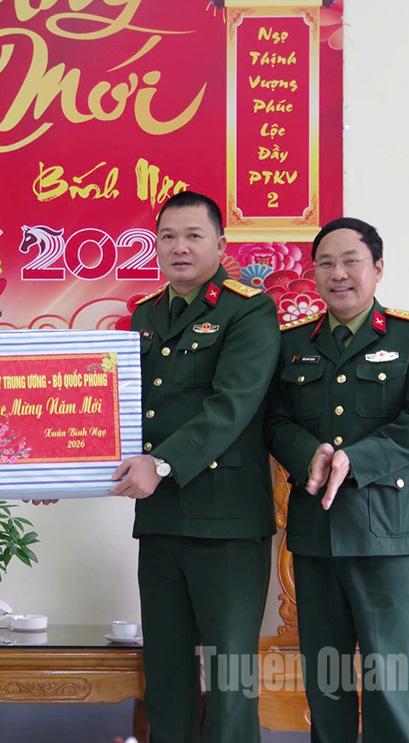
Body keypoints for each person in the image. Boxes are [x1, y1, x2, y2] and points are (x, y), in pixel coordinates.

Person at [265, 217, 409, 742]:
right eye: (325, 263)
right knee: (327, 678)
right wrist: (311, 454)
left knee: (387, 675)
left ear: (378, 269)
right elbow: (275, 420)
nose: (338, 273)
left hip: (387, 529)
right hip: (317, 528)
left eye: (351, 262)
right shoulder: (292, 342)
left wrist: (355, 460)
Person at [110, 191, 279, 742]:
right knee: (167, 672)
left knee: (230, 678)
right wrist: (66, 469)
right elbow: (123, 411)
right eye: (167, 237)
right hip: (161, 518)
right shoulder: (146, 314)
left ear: (221, 245)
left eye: (193, 236)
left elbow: (232, 405)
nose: (178, 247)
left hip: (226, 521)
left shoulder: (248, 309)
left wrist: (161, 463)